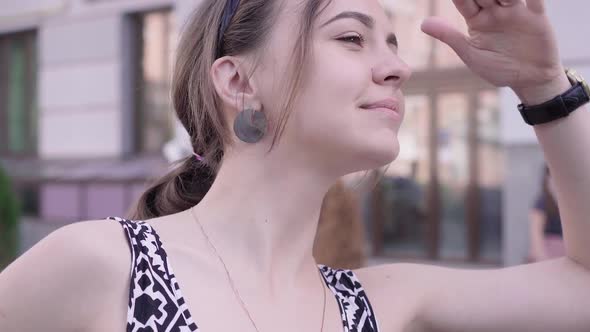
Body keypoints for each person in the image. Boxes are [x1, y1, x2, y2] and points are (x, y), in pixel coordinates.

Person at [2, 0, 590, 331]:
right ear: (239, 81)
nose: (396, 68)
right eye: (353, 38)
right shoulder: (104, 266)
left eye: (392, 41)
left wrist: (542, 86)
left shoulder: (379, 303)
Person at [528, 165, 565, 262]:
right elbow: (535, 233)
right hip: (548, 251)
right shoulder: (542, 202)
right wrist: (541, 257)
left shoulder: (569, 203)